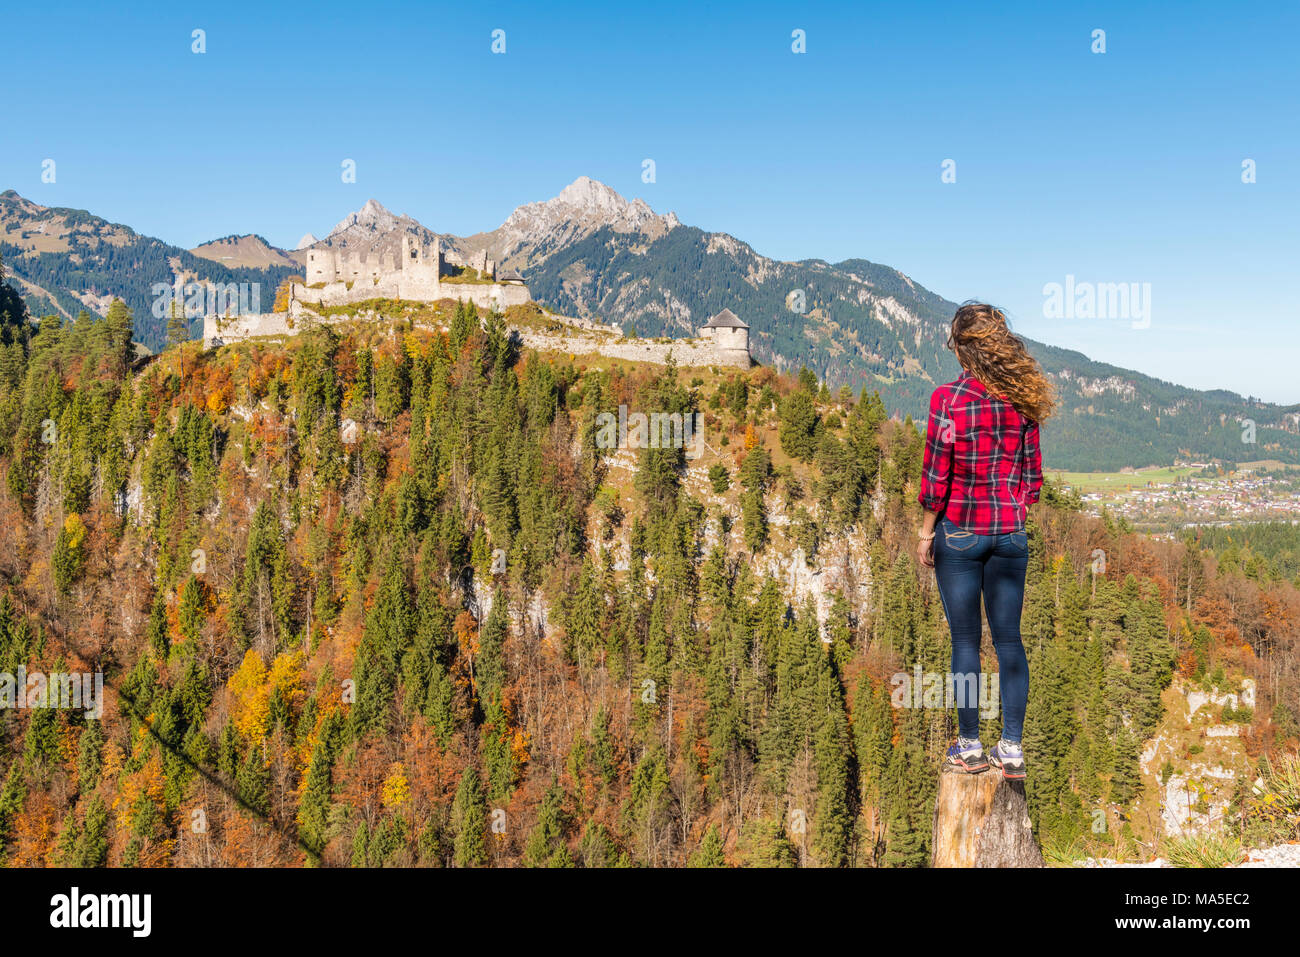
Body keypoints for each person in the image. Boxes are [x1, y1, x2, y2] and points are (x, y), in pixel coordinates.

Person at [915, 303, 1053, 780]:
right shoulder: (1023, 399)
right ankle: (1011, 747)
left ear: (963, 348)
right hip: (1010, 534)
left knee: (966, 641)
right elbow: (1033, 481)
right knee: (1010, 641)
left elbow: (936, 477)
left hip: (960, 532)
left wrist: (926, 532)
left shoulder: (947, 401)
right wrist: (1010, 507)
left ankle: (970, 746)